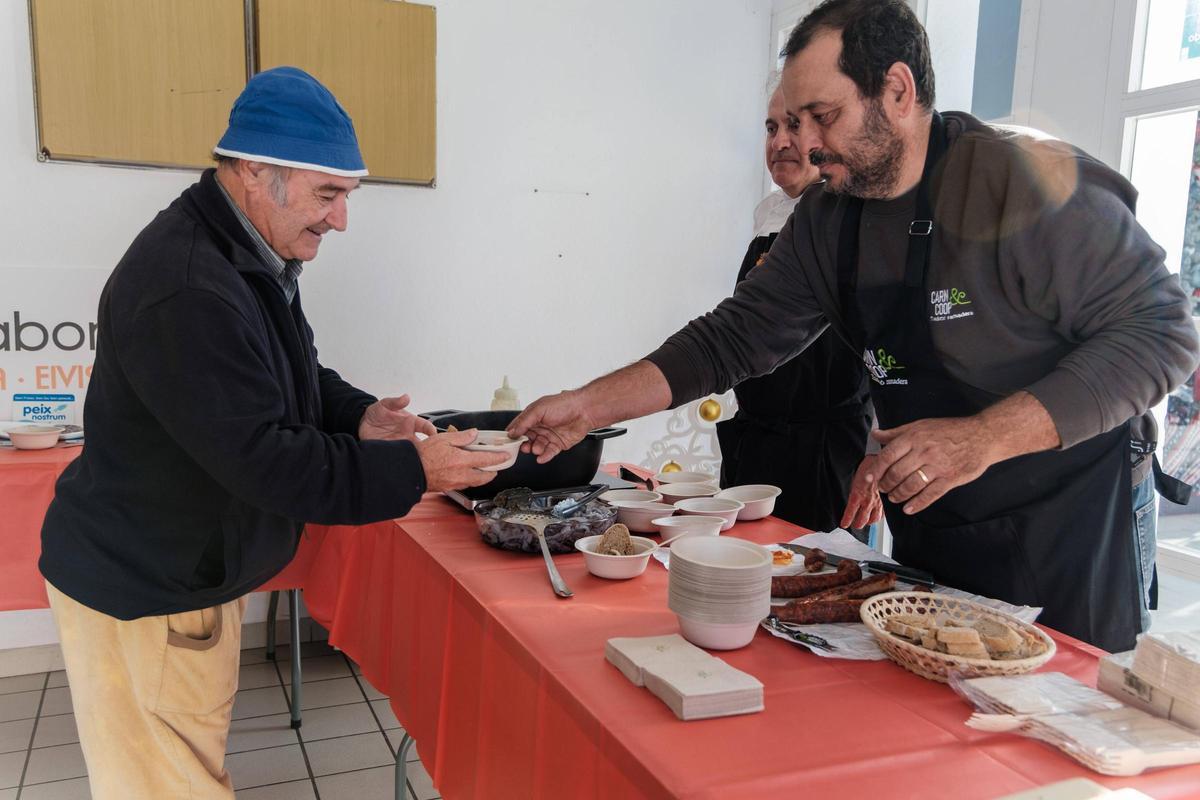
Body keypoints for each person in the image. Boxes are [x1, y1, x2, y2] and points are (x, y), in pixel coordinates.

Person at [509, 0, 1200, 653]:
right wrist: (588, 407)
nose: (806, 146)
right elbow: (729, 339)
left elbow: (1163, 333)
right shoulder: (827, 218)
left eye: (823, 116)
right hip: (939, 529)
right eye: (793, 120)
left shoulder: (1021, 183)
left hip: (1070, 528)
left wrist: (981, 439)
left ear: (897, 91)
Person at [39, 67, 505, 799]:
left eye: (347, 196)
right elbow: (266, 461)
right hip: (147, 584)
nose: (340, 220)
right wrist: (419, 471)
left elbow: (291, 371)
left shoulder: (246, 252)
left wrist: (359, 416)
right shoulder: (188, 286)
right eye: (327, 195)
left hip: (182, 570)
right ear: (256, 171)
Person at [717, 82, 874, 533]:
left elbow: (889, 349)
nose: (779, 142)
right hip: (756, 442)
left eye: (793, 126)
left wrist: (878, 455)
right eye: (771, 128)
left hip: (824, 452)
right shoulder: (768, 212)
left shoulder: (856, 217)